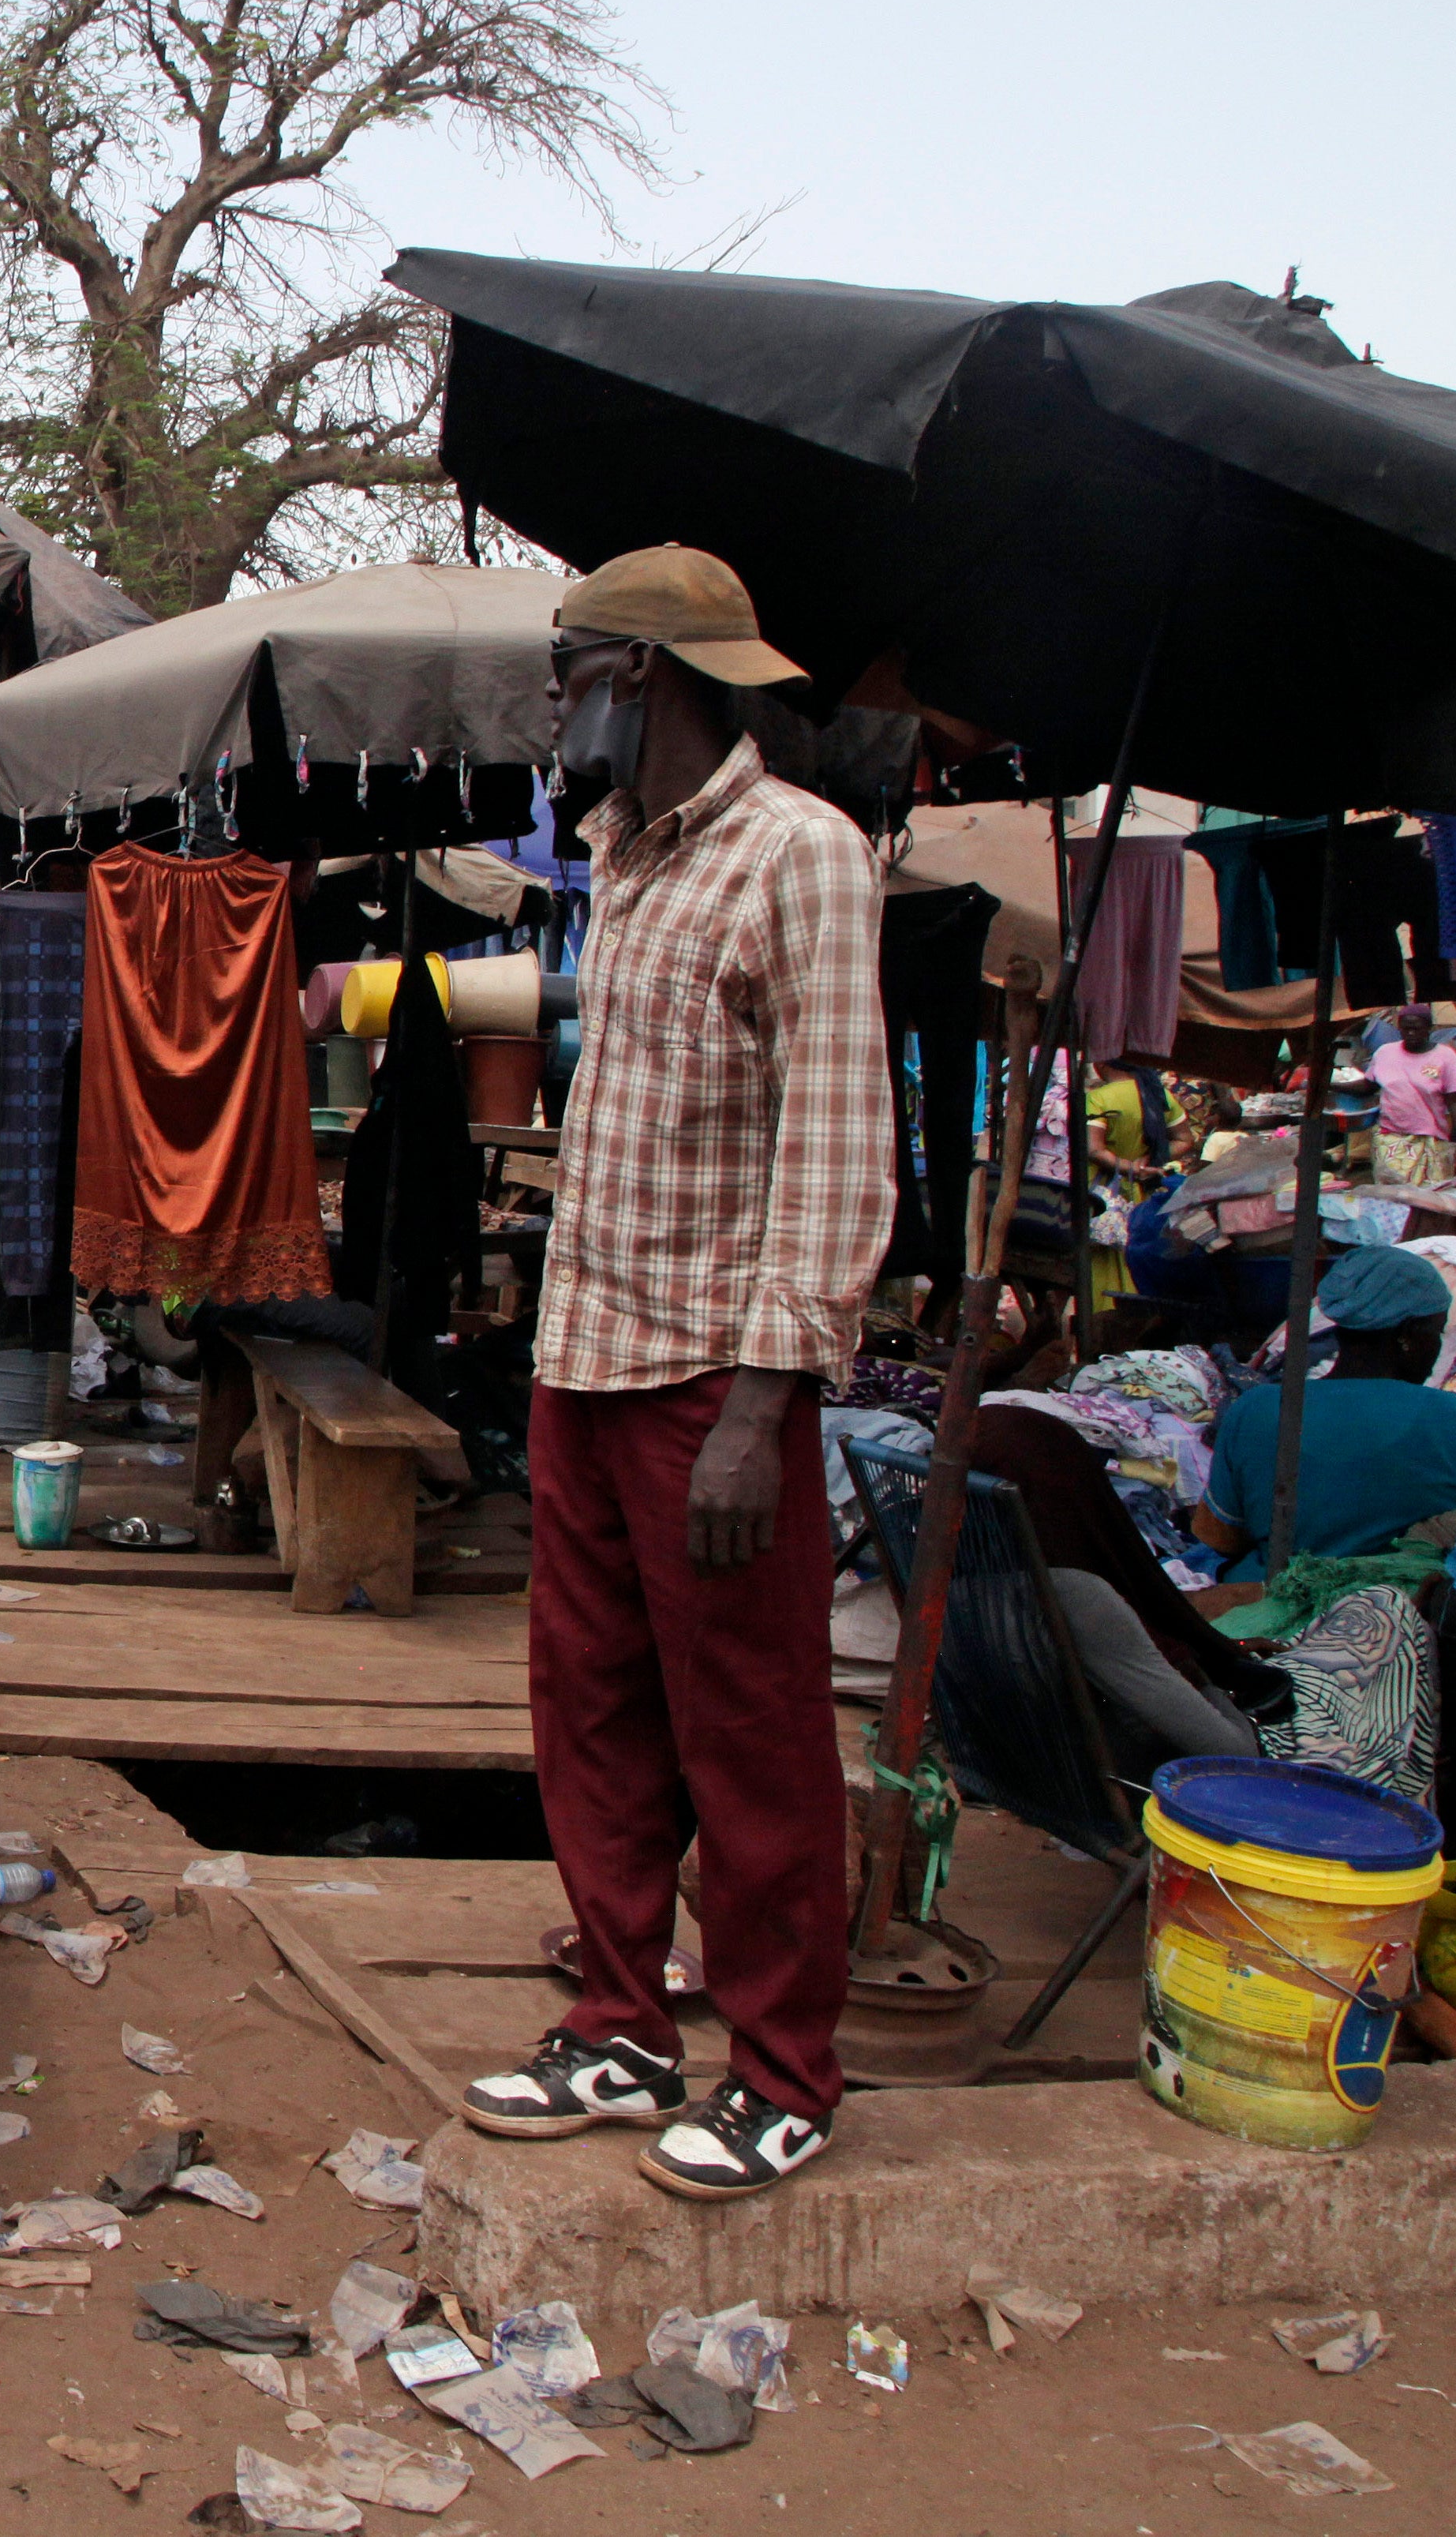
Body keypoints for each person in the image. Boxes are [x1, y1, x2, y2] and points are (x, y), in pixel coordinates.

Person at [457, 545, 889, 2202]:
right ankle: (621, 2023)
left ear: (636, 675)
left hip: (715, 1383)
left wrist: (765, 1405)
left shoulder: (799, 856)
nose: (549, 706)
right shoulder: (624, 858)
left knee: (753, 1733)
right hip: (588, 1353)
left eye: (564, 672)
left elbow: (838, 1152)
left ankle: (782, 2070)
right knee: (593, 1710)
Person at [1192, 1242, 1456, 1579]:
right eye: (1436, 1333)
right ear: (1407, 1335)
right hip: (1406, 1612)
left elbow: (1220, 1537)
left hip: (1266, 1603)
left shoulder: (1255, 1408)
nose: (1437, 1348)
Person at [1365, 1003, 1456, 1187]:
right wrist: (1330, 1084)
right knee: (1395, 1196)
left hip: (1432, 1140)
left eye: (1416, 1029)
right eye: (1406, 1029)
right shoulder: (1385, 1053)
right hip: (1391, 1139)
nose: (1410, 1034)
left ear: (1429, 1029)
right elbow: (1367, 1086)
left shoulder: (1446, 1057)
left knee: (1431, 1199)